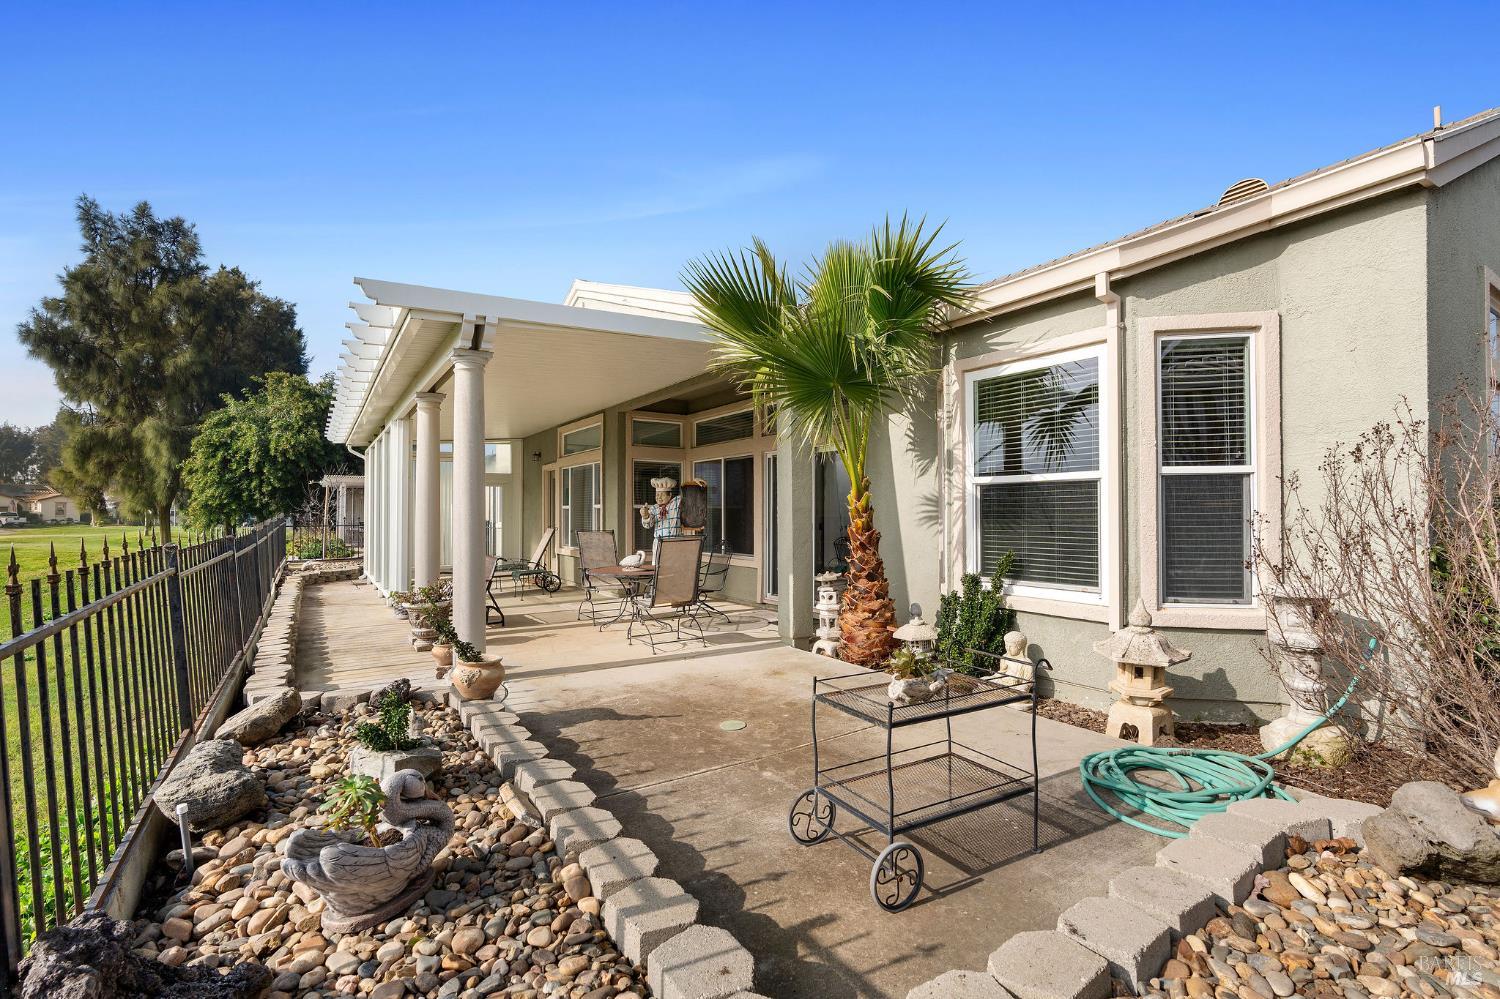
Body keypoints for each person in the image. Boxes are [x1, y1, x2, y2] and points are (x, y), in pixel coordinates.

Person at [638, 476, 681, 561]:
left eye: (662, 494)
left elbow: (690, 495)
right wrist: (645, 516)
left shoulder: (676, 503)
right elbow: (648, 525)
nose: (659, 497)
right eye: (657, 494)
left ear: (670, 495)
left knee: (673, 567)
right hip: (658, 543)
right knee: (658, 568)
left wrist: (694, 483)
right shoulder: (654, 508)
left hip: (673, 542)